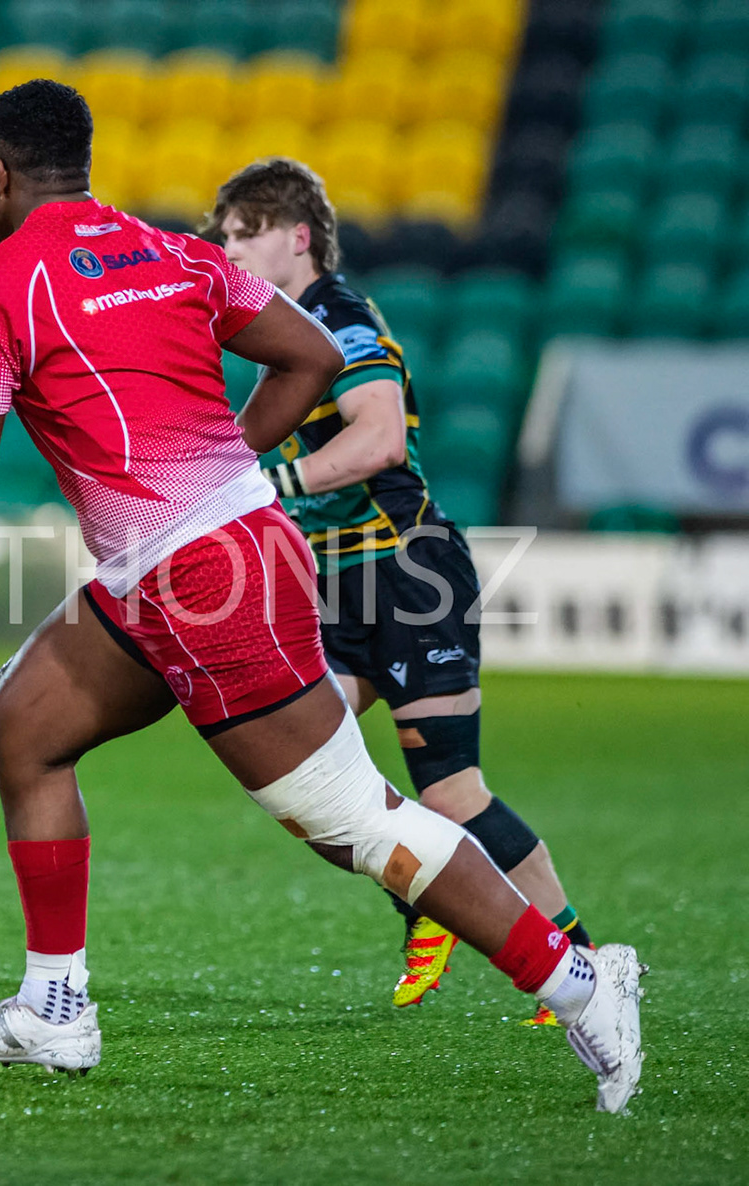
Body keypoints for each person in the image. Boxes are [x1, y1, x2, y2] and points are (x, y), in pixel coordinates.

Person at [0, 80, 644, 1112]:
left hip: (203, 578)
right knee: (23, 732)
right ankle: (53, 1007)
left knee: (353, 817)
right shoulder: (173, 251)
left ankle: (579, 978)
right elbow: (308, 355)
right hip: (195, 557)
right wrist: (227, 467)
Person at [204, 157, 597, 1024]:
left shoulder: (340, 320)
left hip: (404, 569)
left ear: (298, 237)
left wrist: (273, 486)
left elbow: (377, 440)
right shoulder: (288, 333)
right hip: (339, 584)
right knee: (304, 767)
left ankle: (579, 956)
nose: (228, 249)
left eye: (245, 232)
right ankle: (425, 903)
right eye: (222, 236)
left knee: (450, 789)